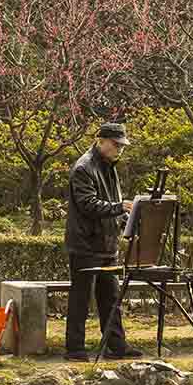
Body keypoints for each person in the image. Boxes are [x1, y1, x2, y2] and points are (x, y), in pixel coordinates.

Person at [63, 122, 143, 362]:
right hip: (85, 245)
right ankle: (75, 349)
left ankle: (116, 346)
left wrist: (127, 219)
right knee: (81, 297)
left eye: (122, 146)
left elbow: (111, 204)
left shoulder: (110, 167)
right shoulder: (83, 168)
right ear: (101, 141)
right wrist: (120, 207)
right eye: (116, 144)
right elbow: (88, 204)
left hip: (107, 243)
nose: (119, 150)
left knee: (111, 297)